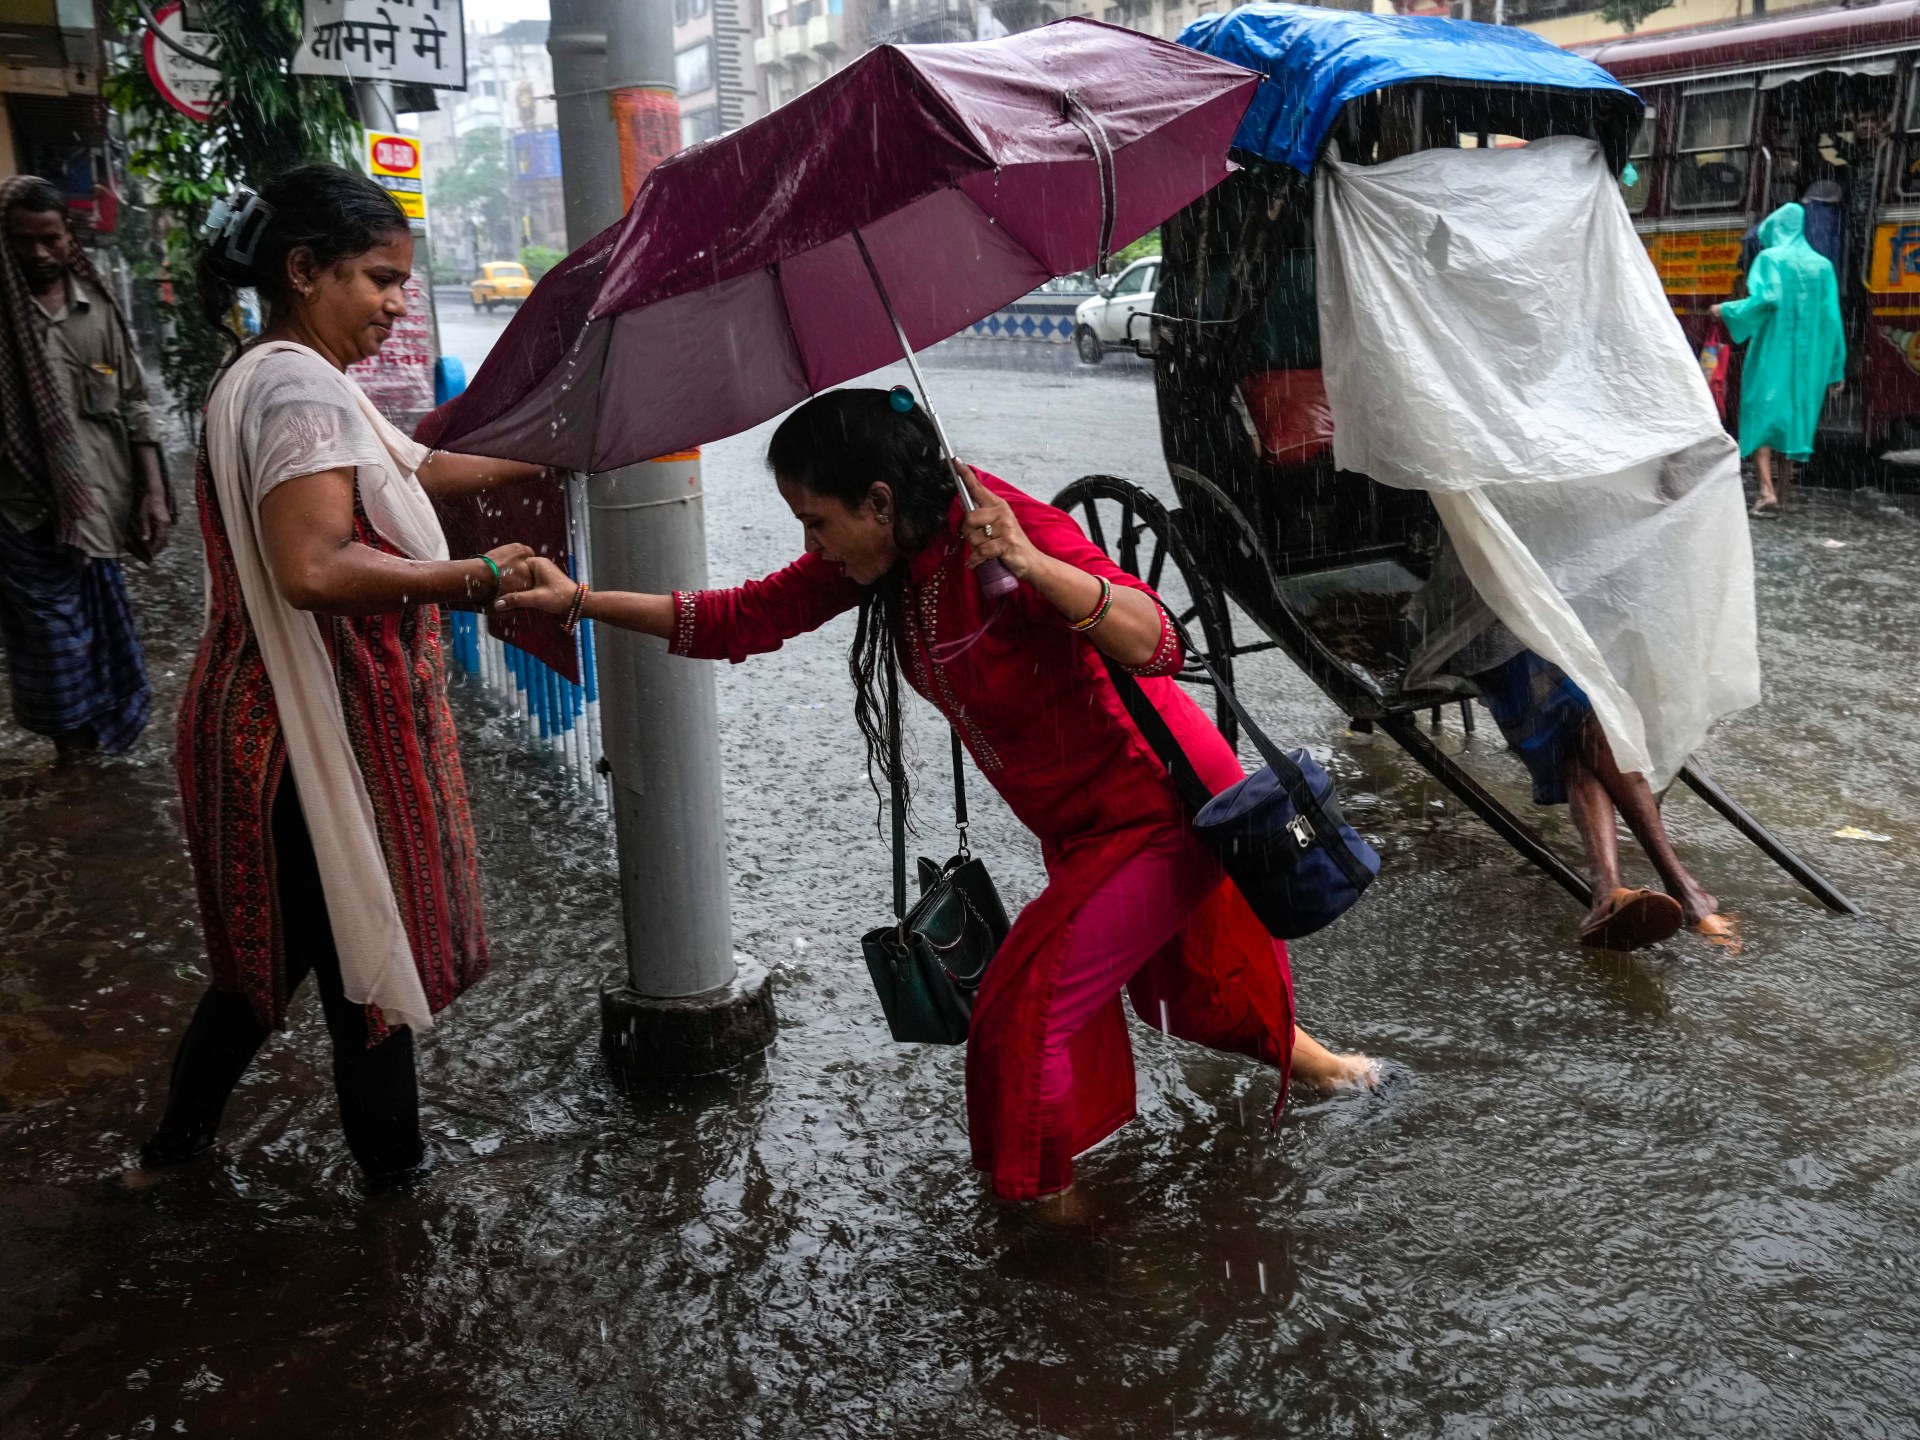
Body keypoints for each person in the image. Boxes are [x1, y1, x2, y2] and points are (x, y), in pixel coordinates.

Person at [500, 387, 1374, 1206]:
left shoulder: (996, 530)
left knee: (1018, 1014)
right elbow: (742, 619)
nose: (813, 546)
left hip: (1157, 809)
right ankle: (1346, 1078)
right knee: (1193, 997)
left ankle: (1045, 1235)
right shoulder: (887, 556)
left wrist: (1036, 565)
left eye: (818, 521)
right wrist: (578, 601)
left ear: (878, 502)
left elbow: (1157, 643)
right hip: (1079, 826)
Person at [135, 165, 548, 1187]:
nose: (398, 304)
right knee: (365, 971)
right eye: (377, 279)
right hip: (300, 741)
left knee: (275, 969)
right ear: (303, 269)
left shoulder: (279, 375)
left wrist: (549, 454)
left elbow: (413, 469)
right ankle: (394, 1198)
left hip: (258, 724)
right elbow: (313, 567)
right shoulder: (299, 390)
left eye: (404, 282)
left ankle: (172, 1158)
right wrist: (473, 578)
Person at [1408, 543, 1730, 951]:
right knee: (1594, 719)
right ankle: (1682, 886)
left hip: (1563, 606)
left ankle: (1609, 892)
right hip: (1490, 618)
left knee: (1579, 740)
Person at [0, 175, 172, 761]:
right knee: (53, 641)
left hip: (99, 506)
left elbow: (133, 403)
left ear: (66, 234)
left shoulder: (95, 306)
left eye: (49, 239)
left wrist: (152, 492)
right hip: (20, 513)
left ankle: (97, 757)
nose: (39, 254)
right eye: (24, 241)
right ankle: (72, 757)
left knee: (104, 635)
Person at [1712, 203, 1845, 518]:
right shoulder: (1822, 266)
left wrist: (1726, 310)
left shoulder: (1770, 259)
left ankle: (1766, 491)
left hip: (1772, 351)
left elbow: (1766, 300)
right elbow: (1831, 317)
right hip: (1808, 360)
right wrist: (1836, 365)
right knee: (1791, 419)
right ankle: (1785, 490)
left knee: (1760, 413)